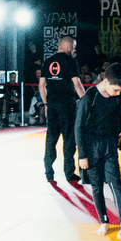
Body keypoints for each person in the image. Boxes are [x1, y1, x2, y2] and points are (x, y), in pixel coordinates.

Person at [76, 63, 121, 236]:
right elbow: (78, 127)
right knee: (96, 186)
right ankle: (104, 221)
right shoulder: (90, 97)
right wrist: (82, 155)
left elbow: (116, 121)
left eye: (120, 91)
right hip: (91, 147)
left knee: (115, 183)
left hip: (109, 145)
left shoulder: (117, 98)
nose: (117, 94)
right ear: (105, 81)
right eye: (116, 90)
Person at [41, 35, 82, 182]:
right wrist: (86, 103)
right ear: (68, 45)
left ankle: (48, 172)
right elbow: (77, 85)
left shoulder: (48, 61)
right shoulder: (70, 61)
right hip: (67, 105)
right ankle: (69, 173)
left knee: (51, 139)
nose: (74, 50)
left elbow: (41, 86)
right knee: (69, 139)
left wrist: (46, 104)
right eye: (74, 47)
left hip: (52, 105)